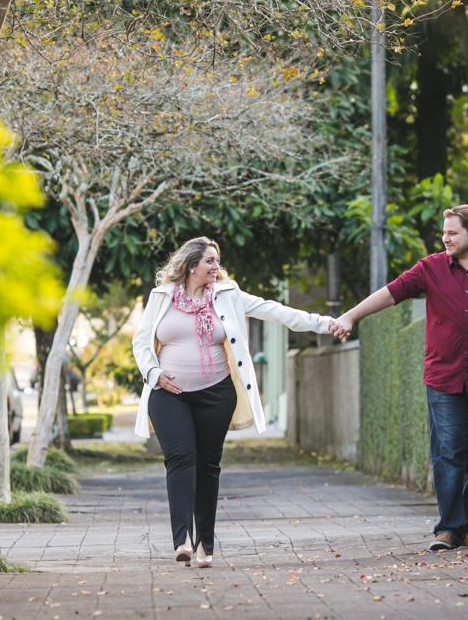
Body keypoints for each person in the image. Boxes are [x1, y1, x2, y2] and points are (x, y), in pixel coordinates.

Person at [330, 205, 468, 551]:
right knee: (448, 454)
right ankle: (449, 529)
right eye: (444, 232)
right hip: (444, 378)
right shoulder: (430, 268)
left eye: (452, 232)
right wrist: (350, 316)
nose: (445, 238)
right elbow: (391, 292)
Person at [133, 237, 333, 568]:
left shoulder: (228, 295)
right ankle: (182, 538)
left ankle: (204, 546)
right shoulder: (161, 297)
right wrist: (153, 373)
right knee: (181, 459)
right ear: (191, 264)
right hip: (168, 393)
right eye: (210, 261)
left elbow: (275, 310)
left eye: (217, 261)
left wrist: (324, 324)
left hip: (216, 392)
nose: (216, 267)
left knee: (208, 466)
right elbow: (141, 342)